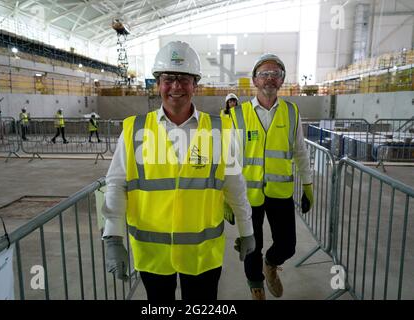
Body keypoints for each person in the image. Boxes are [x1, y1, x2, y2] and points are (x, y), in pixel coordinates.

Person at [101, 40, 255, 301]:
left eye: (184, 79)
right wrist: (113, 237)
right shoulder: (135, 129)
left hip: (202, 254)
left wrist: (247, 229)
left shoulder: (220, 130)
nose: (176, 86)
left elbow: (235, 185)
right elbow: (117, 184)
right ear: (158, 83)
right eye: (168, 78)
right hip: (153, 253)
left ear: (195, 84)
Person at [229, 53, 314, 300]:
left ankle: (271, 264)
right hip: (248, 193)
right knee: (251, 244)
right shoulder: (239, 114)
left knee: (287, 245)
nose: (269, 78)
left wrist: (308, 184)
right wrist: (226, 196)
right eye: (264, 74)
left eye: (275, 74)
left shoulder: (291, 112)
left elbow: (300, 151)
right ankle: (256, 286)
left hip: (280, 192)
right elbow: (230, 159)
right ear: (254, 80)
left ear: (282, 80)